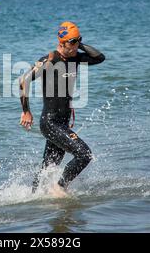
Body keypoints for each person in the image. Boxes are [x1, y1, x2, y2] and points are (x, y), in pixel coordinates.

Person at [19, 21, 105, 197]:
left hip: (63, 124)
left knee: (47, 169)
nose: (75, 47)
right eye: (71, 43)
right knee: (84, 154)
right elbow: (23, 81)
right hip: (50, 123)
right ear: (61, 43)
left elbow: (99, 58)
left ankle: (31, 198)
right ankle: (59, 187)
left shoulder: (75, 58)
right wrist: (26, 111)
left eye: (77, 42)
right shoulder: (49, 60)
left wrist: (78, 42)